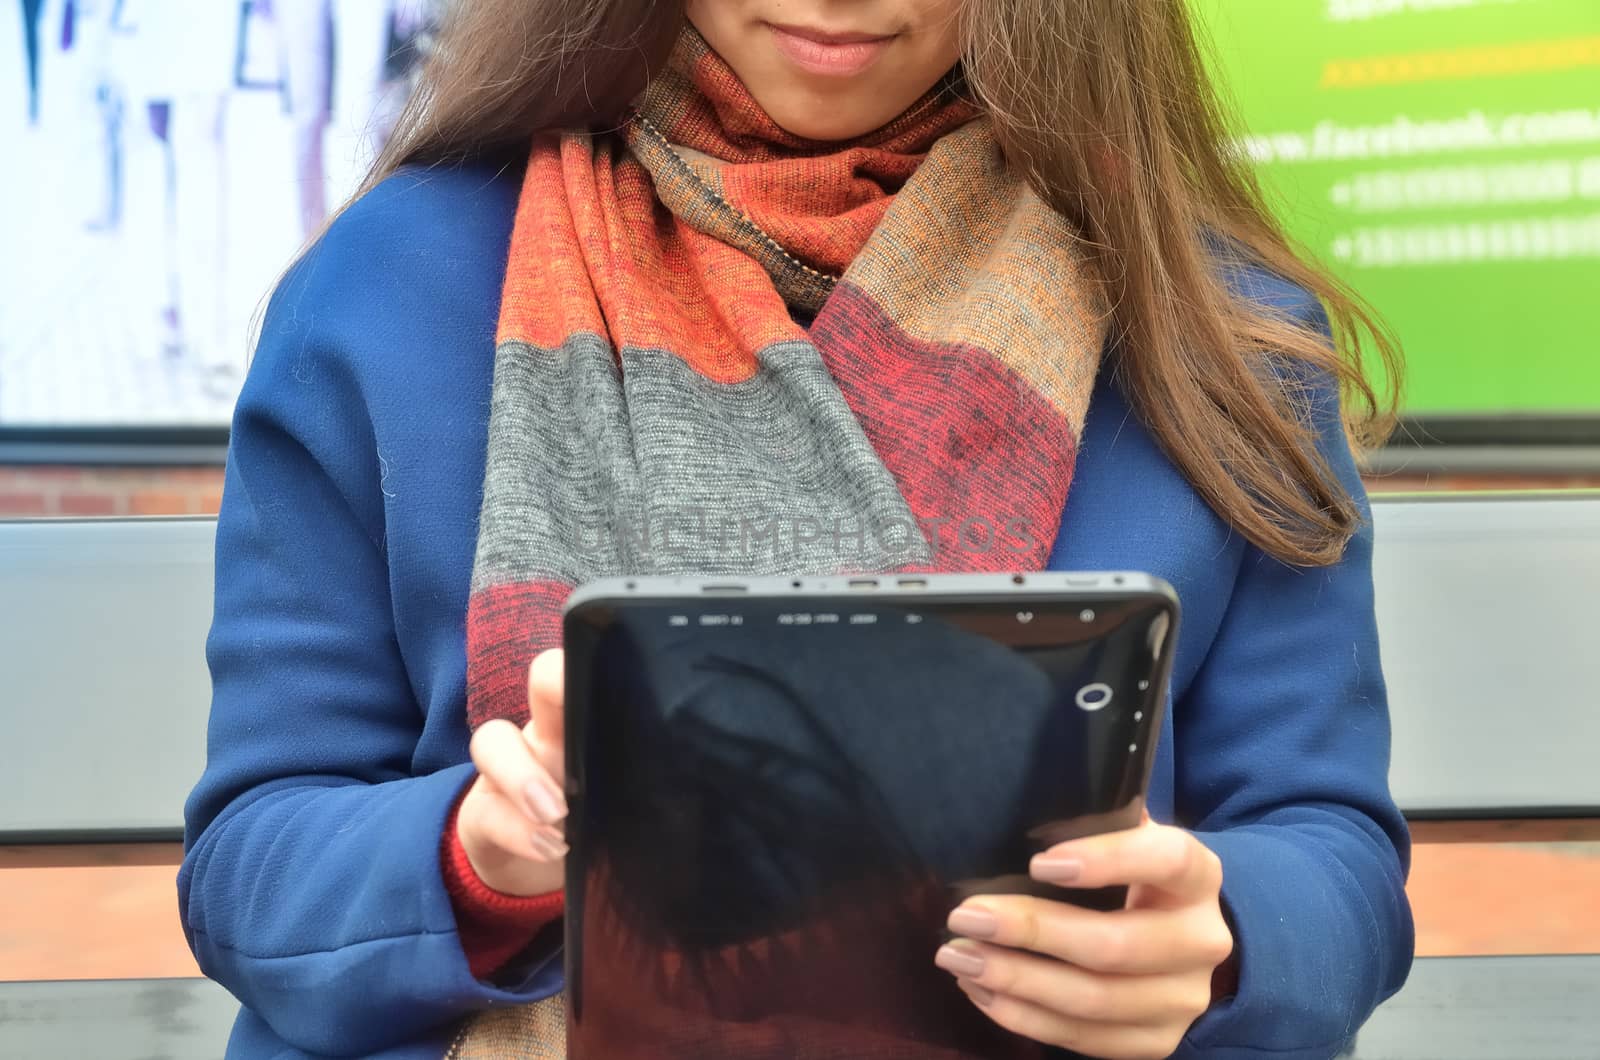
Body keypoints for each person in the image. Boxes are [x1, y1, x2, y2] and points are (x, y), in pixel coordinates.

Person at [178, 0, 1416, 1057]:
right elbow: (252, 863)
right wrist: (477, 859)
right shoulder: (388, 286)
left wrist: (1217, 940)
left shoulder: (1216, 330)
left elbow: (1335, 857)